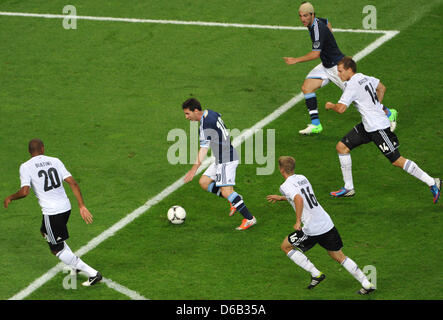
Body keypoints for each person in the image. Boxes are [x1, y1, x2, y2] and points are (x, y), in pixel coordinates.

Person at [325, 57, 441, 203]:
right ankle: (349, 188)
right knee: (342, 147)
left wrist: (330, 105)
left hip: (378, 128)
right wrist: (377, 106)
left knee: (396, 160)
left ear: (349, 70)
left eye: (340, 71)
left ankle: (432, 182)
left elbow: (341, 109)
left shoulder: (352, 85)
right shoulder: (364, 77)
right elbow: (381, 87)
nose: (339, 75)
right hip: (368, 125)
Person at [283, 1, 397, 135]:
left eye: (305, 16)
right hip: (326, 65)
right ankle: (316, 125)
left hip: (337, 68)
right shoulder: (317, 21)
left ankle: (389, 113)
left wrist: (295, 60)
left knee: (359, 98)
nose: (303, 19)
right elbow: (327, 22)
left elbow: (315, 54)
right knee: (307, 87)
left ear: (312, 15)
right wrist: (329, 38)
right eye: (301, 16)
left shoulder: (317, 29)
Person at [267, 156, 376, 294]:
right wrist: (282, 198)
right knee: (338, 256)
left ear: (281, 169)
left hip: (311, 229)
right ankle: (366, 283)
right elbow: (302, 196)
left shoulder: (285, 186)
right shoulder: (302, 178)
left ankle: (315, 274)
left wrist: (297, 221)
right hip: (326, 223)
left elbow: (299, 199)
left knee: (286, 246)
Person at [3, 139, 102, 286]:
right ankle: (74, 265)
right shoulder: (55, 160)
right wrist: (81, 205)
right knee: (44, 231)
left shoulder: (25, 166)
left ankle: (93, 274)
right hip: (66, 208)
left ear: (29, 152)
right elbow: (73, 183)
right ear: (42, 149)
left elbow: (24, 192)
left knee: (56, 249)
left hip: (52, 212)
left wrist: (10, 197)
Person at [182, 98, 257, 230]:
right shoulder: (210, 113)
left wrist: (193, 170)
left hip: (226, 159)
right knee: (204, 182)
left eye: (187, 113)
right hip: (221, 157)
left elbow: (203, 150)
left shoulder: (205, 126)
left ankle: (249, 218)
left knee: (227, 191)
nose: (186, 117)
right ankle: (235, 199)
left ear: (195, 110)